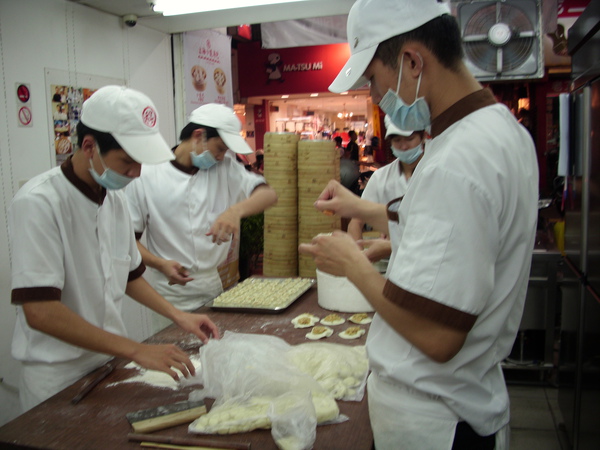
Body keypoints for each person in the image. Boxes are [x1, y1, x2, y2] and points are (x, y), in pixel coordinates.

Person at [299, 1, 539, 448]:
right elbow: (456, 225)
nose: (373, 95)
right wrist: (369, 210)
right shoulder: (500, 131)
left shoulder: (457, 160)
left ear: (412, 61)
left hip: (437, 420)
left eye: (373, 78)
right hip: (464, 399)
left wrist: (355, 266)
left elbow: (437, 335)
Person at [8, 86, 220, 413]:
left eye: (140, 163)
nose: (136, 173)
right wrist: (136, 349)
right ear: (90, 146)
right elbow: (40, 312)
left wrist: (179, 316)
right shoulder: (40, 202)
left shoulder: (115, 200)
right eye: (126, 162)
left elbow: (129, 276)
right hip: (57, 377)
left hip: (107, 362)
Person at [125, 103, 277, 333]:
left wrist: (236, 211)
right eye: (219, 148)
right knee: (175, 358)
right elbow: (129, 241)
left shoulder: (225, 168)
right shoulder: (148, 174)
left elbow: (269, 194)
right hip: (169, 292)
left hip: (212, 286)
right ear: (198, 136)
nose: (220, 156)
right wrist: (159, 264)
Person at [347, 115, 425, 264]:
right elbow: (356, 221)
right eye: (397, 140)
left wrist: (392, 245)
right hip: (391, 265)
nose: (403, 146)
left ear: (422, 137)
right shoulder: (381, 178)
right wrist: (360, 258)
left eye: (409, 139)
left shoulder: (436, 173)